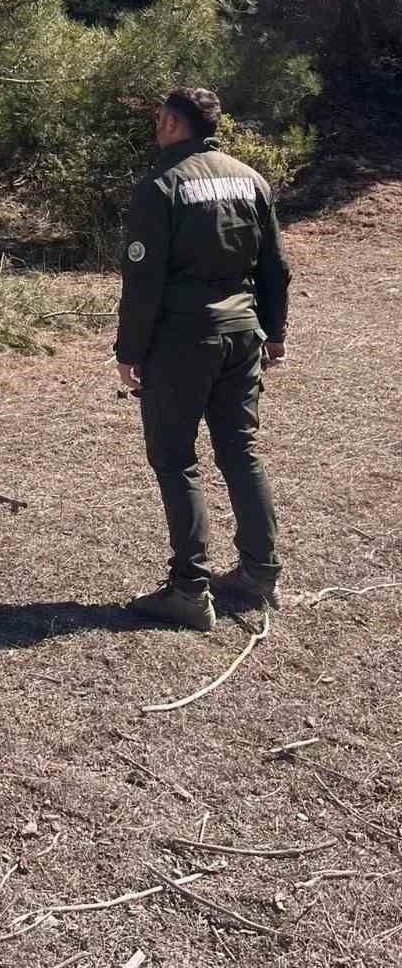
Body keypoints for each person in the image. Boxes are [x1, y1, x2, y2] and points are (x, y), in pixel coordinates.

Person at [115, 87, 290, 632]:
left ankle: (190, 590)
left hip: (182, 342)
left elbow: (143, 282)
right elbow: (276, 266)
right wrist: (275, 330)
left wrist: (129, 351)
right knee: (241, 450)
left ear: (171, 123)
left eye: (158, 119)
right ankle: (260, 574)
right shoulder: (251, 179)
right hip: (243, 335)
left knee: (175, 459)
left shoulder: (160, 186)